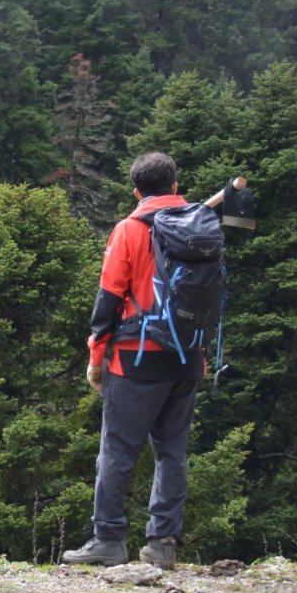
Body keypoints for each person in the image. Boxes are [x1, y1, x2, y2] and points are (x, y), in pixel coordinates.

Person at [63, 152, 204, 570]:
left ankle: (108, 538)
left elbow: (108, 298)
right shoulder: (201, 227)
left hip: (136, 359)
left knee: (118, 451)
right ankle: (163, 543)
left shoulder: (129, 228)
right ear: (176, 186)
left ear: (137, 192)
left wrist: (95, 355)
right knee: (172, 452)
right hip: (188, 358)